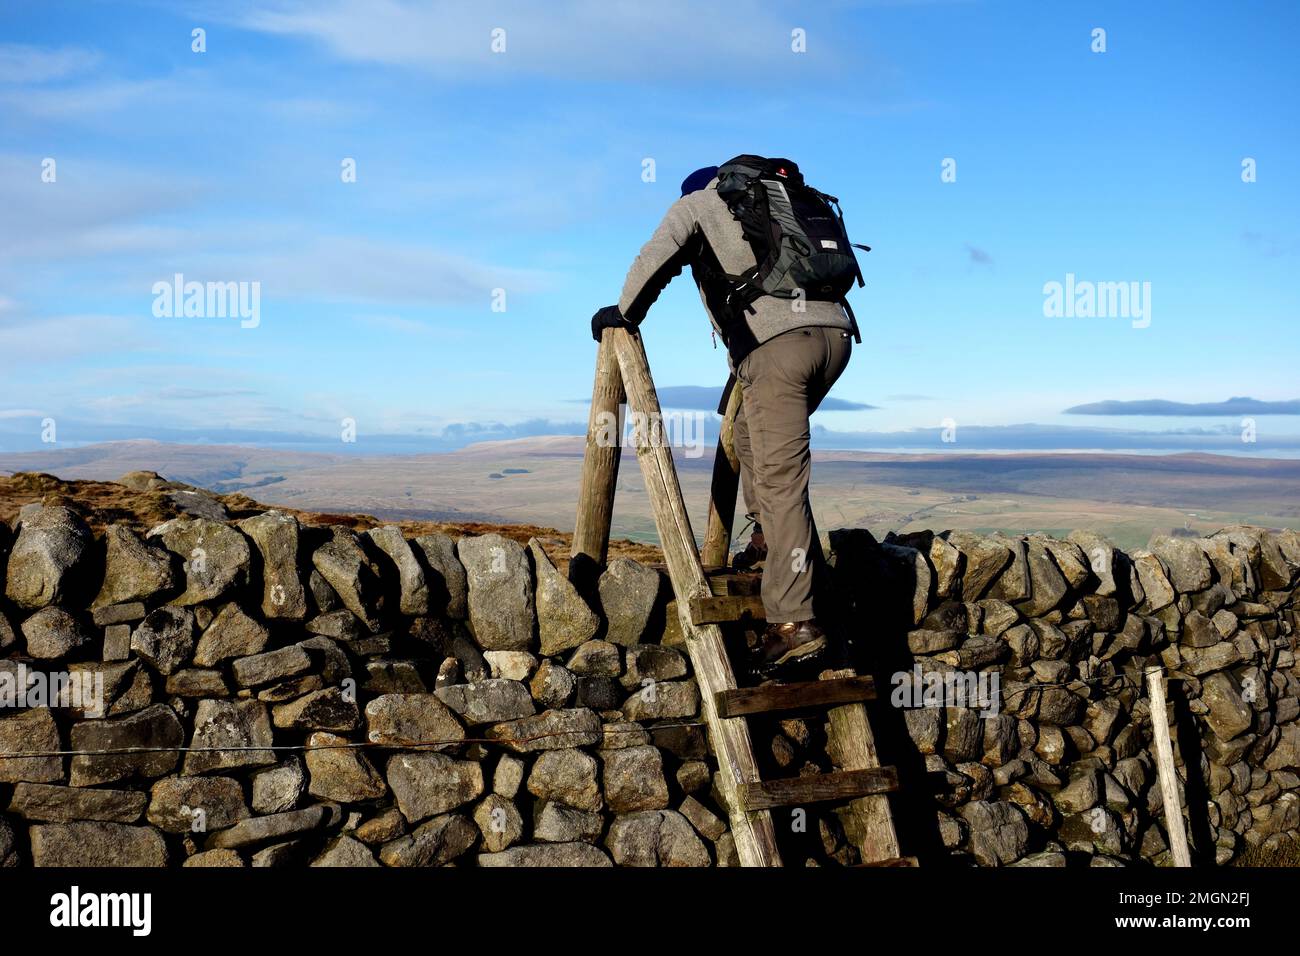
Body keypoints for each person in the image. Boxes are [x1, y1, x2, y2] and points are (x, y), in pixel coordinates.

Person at [591, 158, 857, 676]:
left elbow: (657, 255)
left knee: (782, 482)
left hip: (780, 347)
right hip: (836, 338)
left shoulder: (697, 203)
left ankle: (793, 623)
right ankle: (767, 542)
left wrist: (623, 313)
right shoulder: (775, 201)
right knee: (747, 438)